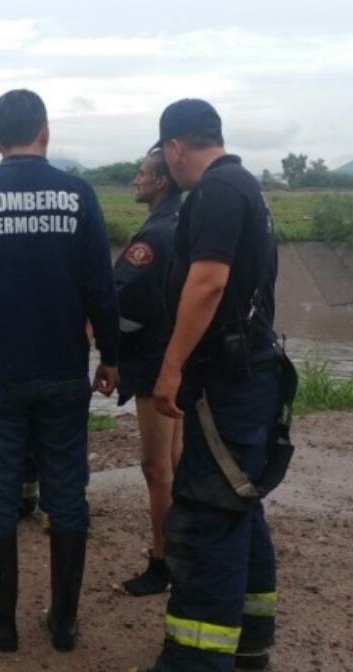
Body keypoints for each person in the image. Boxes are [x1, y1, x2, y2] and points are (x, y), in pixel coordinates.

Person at [0, 89, 119, 653]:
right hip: (64, 373)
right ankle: (63, 624)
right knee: (68, 495)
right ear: (46, 132)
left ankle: (0, 623)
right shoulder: (79, 194)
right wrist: (110, 355)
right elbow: (99, 288)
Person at [144, 99, 283, 671]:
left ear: (176, 146)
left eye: (164, 154)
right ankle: (250, 641)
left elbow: (207, 282)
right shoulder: (245, 186)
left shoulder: (218, 192)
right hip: (250, 374)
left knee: (208, 512)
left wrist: (171, 366)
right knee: (240, 504)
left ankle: (194, 661)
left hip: (228, 380)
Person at [115, 147, 184, 597]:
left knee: (156, 467)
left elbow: (122, 299)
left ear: (161, 181)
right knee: (176, 462)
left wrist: (105, 344)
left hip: (154, 359)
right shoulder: (185, 219)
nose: (136, 181)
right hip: (178, 354)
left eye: (142, 174)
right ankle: (182, 551)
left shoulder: (154, 235)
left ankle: (162, 564)